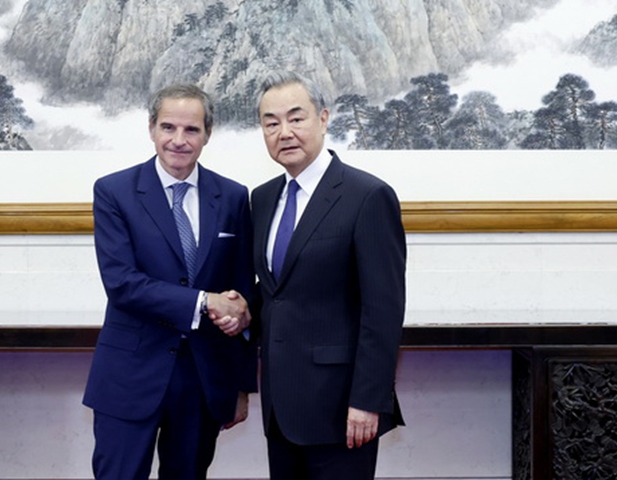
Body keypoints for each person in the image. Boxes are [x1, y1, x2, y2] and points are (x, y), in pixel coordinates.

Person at [83, 83, 256, 480]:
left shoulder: (232, 197)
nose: (178, 140)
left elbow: (243, 295)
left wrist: (242, 386)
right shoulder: (114, 191)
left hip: (202, 380)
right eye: (168, 127)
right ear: (151, 128)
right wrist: (204, 302)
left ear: (208, 134)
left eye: (191, 130)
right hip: (129, 376)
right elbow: (122, 284)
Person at [251, 71, 406, 480]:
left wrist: (369, 400)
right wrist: (228, 306)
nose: (284, 132)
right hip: (281, 408)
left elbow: (383, 309)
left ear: (323, 118)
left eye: (296, 118)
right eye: (271, 123)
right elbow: (275, 292)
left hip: (341, 409)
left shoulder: (367, 196)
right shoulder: (263, 198)